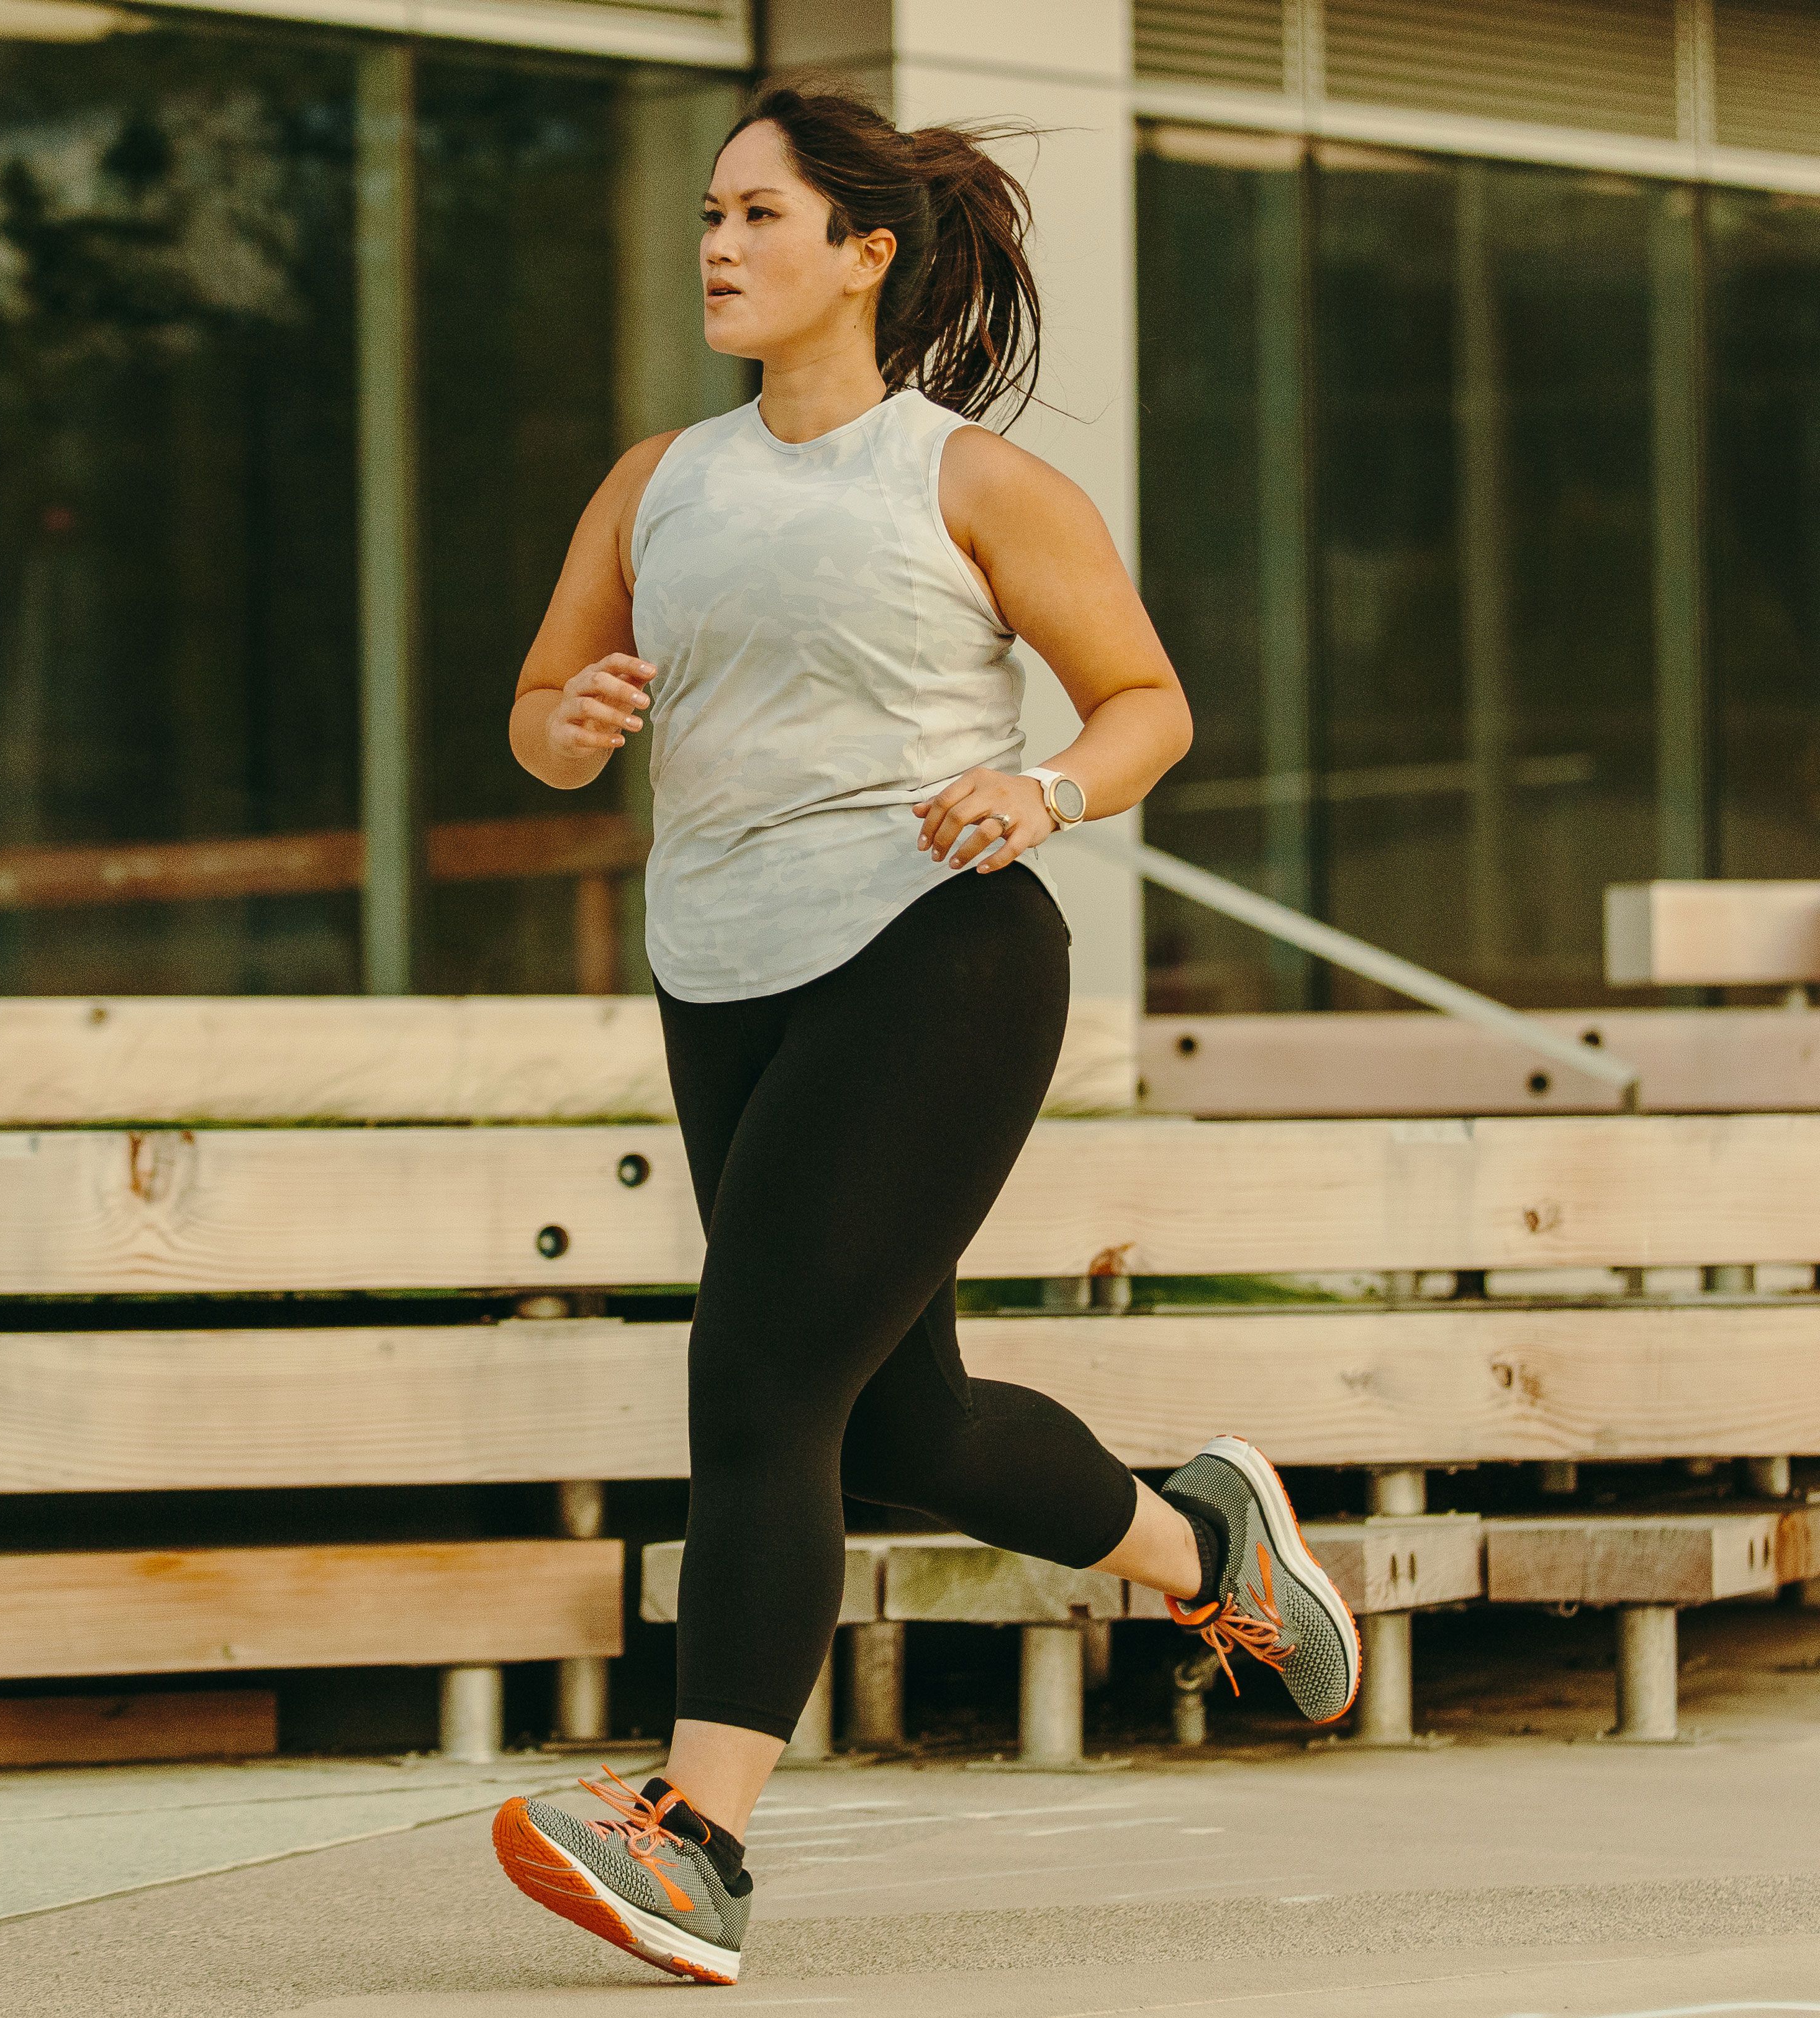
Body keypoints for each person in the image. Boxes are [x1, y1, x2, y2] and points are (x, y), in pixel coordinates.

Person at [484, 84, 1358, 1986]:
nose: (717, 245)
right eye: (709, 214)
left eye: (759, 217)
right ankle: (1205, 1550)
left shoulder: (964, 481)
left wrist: (1039, 789)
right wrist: (572, 728)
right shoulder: (657, 482)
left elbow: (1143, 700)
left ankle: (695, 1831)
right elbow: (544, 704)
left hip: (935, 953)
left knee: (758, 1380)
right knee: (898, 1418)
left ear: (864, 254)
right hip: (721, 974)